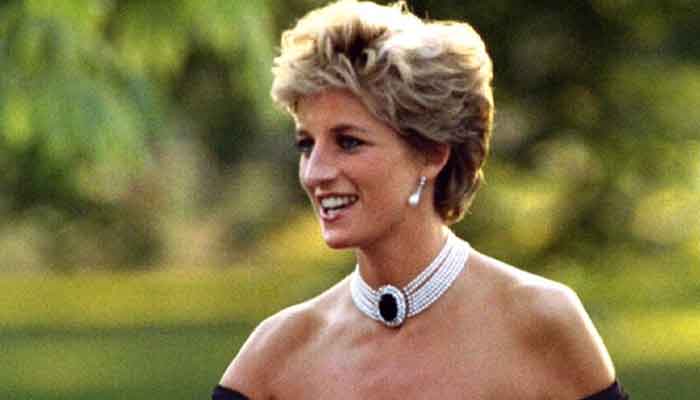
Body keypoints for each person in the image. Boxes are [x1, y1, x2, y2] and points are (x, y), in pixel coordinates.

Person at [213, 0, 628, 398]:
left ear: (431, 154)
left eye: (349, 142)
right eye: (307, 144)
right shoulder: (277, 356)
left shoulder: (541, 321)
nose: (315, 173)